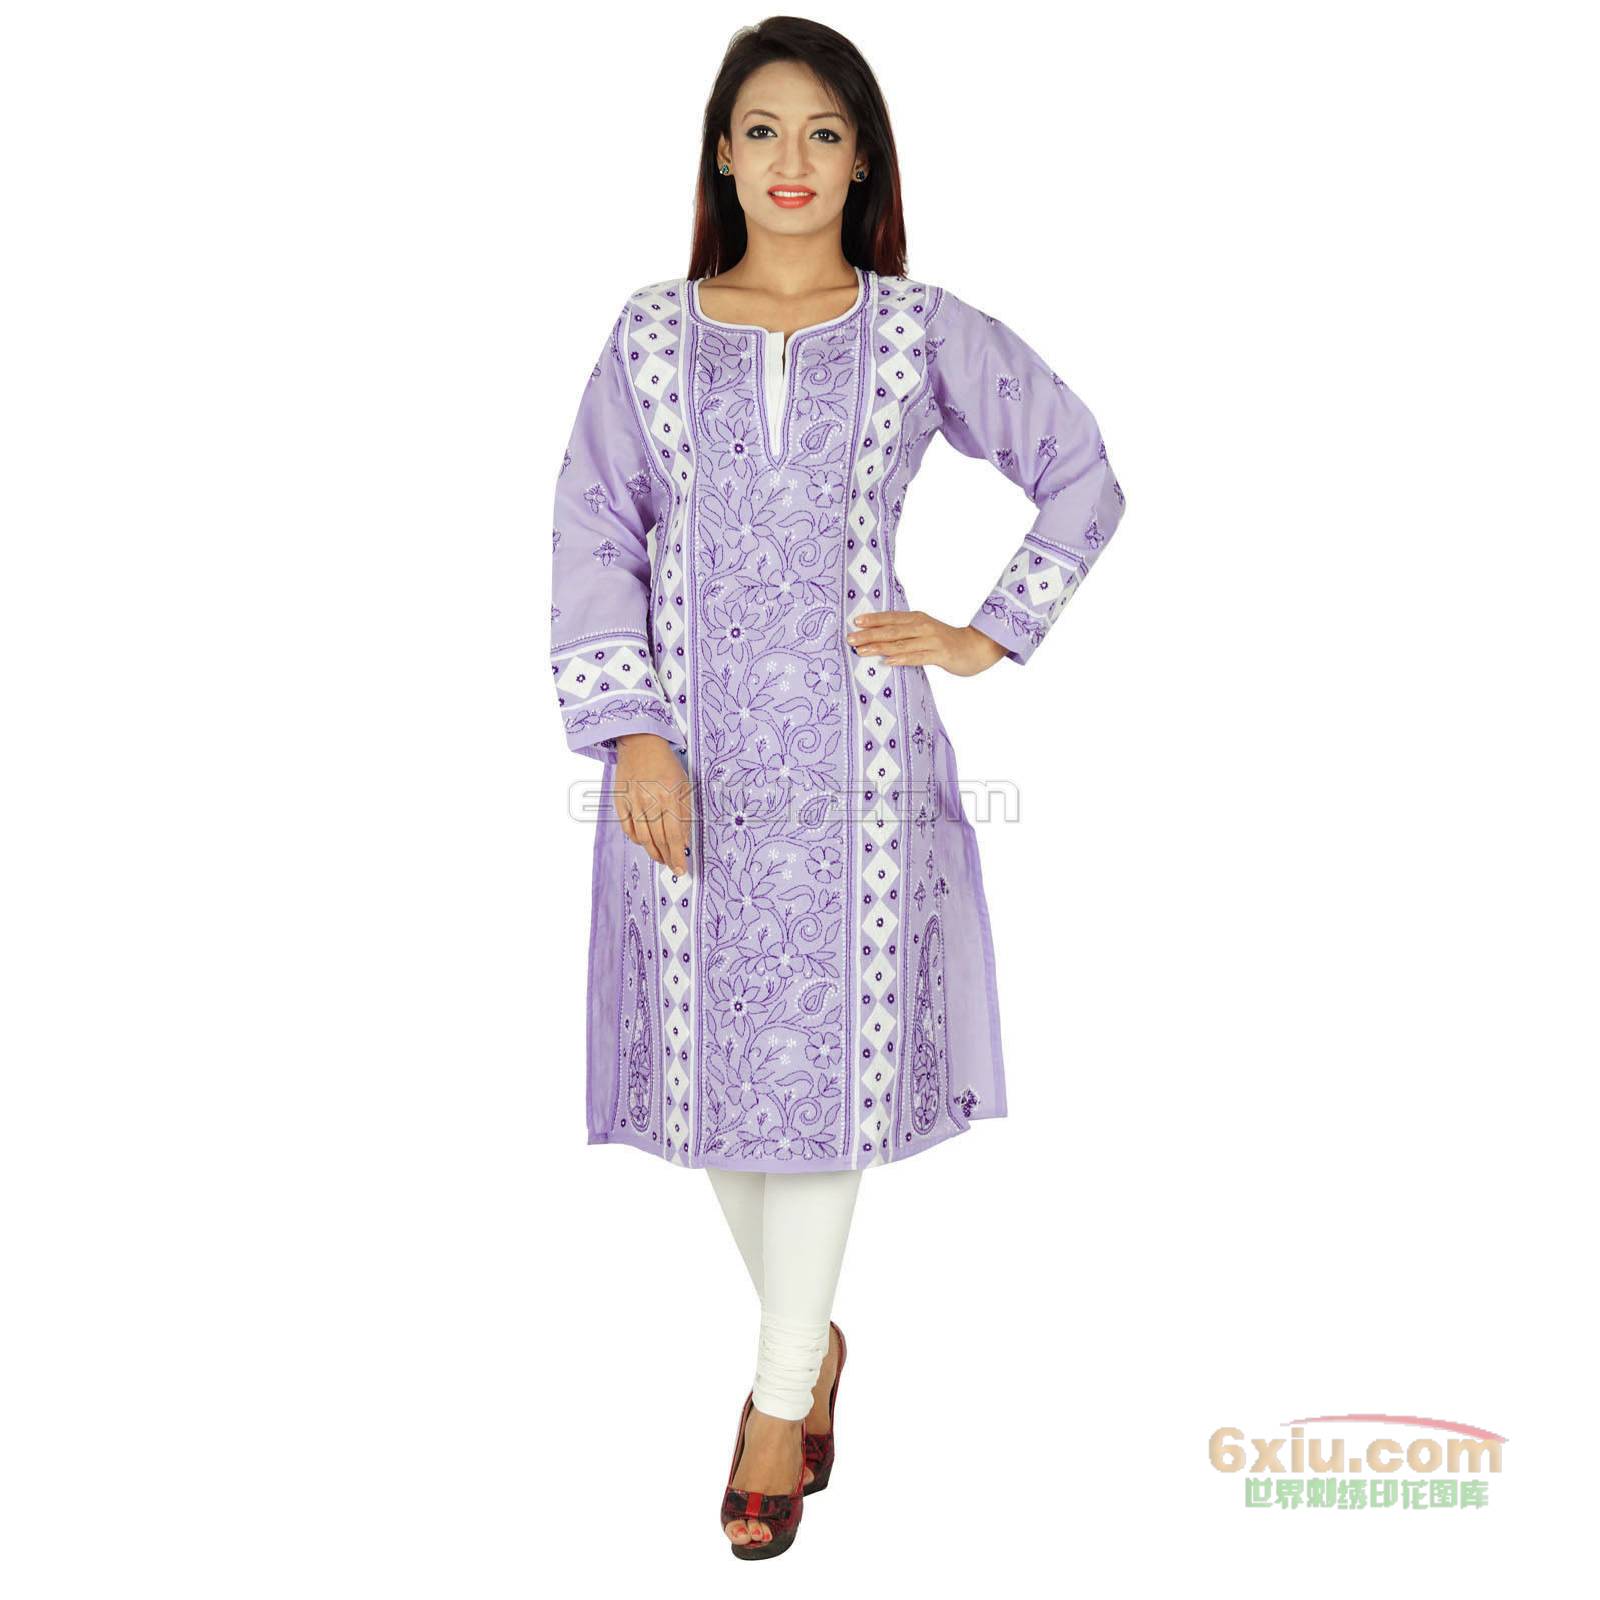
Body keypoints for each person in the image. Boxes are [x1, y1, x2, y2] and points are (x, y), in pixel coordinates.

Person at [549, 16, 1126, 1559]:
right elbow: (595, 528)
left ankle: (775, 1398)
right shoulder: (650, 335)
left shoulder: (919, 332)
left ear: (862, 157)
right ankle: (810, 1345)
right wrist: (634, 735)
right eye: (762, 130)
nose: (790, 160)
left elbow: (1081, 468)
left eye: (822, 132)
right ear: (721, 156)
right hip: (686, 755)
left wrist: (989, 632)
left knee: (824, 1081)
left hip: (861, 760)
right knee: (717, 1079)